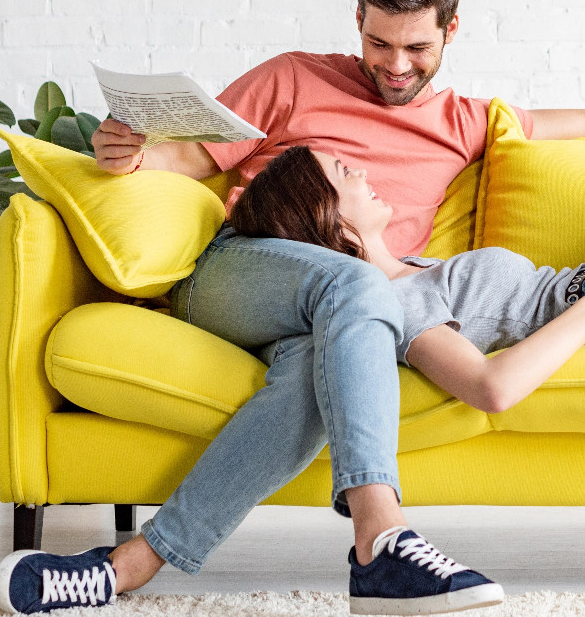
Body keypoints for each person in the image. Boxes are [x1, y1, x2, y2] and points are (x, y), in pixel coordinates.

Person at [0, 0, 585, 617]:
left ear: (451, 29)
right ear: (357, 18)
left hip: (343, 317)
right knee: (362, 287)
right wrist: (127, 157)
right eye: (378, 40)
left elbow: (563, 125)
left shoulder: (466, 121)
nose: (395, 64)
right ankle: (379, 536)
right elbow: (187, 157)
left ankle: (122, 568)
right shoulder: (292, 78)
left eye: (417, 48)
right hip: (240, 271)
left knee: (326, 351)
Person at [231, 145, 585, 416]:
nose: (360, 173)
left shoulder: (411, 268)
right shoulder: (392, 300)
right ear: (321, 212)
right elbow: (491, 388)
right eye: (343, 173)